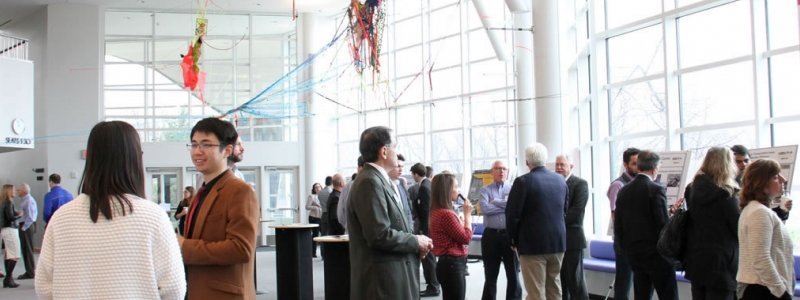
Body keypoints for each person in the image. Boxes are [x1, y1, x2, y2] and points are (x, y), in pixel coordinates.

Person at [34, 121, 185, 299]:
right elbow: (174, 289)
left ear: (90, 159)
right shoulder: (154, 217)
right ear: (135, 158)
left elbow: (44, 287)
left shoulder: (61, 218)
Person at [178, 117, 259, 300]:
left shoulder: (240, 191)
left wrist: (184, 246)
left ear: (227, 150)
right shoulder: (202, 191)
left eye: (206, 145)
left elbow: (241, 248)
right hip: (198, 290)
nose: (197, 151)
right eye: (194, 144)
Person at [347, 126, 433, 299]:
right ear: (384, 152)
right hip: (382, 283)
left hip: (391, 278)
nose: (398, 152)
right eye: (395, 146)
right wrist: (415, 241)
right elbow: (379, 235)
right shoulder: (369, 182)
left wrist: (416, 246)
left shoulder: (378, 180)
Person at [506, 143, 568, 300]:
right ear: (546, 160)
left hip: (532, 245)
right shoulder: (561, 181)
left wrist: (513, 240)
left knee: (536, 291)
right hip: (557, 243)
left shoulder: (523, 182)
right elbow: (564, 211)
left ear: (527, 162)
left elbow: (512, 214)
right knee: (555, 288)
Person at [614, 150, 677, 300]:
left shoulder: (624, 191)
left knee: (641, 294)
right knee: (668, 294)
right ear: (655, 169)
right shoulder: (656, 189)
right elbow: (662, 224)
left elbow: (619, 224)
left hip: (635, 254)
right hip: (657, 255)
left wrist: (624, 249)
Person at [683, 147, 740, 299]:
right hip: (722, 262)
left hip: (696, 258)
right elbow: (738, 228)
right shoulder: (728, 194)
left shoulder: (691, 189)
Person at [737, 159, 794, 300]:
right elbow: (761, 259)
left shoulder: (757, 210)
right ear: (761, 183)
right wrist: (781, 292)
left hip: (764, 288)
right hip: (763, 290)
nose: (782, 180)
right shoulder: (759, 212)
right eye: (775, 177)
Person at [479, 160, 522, 300]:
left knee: (513, 274)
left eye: (504, 168)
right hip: (490, 236)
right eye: (498, 168)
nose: (501, 171)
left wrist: (496, 202)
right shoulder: (485, 190)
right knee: (490, 275)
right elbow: (485, 209)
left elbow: (515, 208)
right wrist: (506, 206)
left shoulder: (514, 189)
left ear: (507, 172)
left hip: (510, 235)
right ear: (492, 172)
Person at [429, 172, 473, 300]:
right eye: (456, 186)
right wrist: (467, 216)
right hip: (453, 265)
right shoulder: (447, 214)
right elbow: (466, 238)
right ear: (447, 190)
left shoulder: (437, 211)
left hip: (446, 264)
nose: (458, 190)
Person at [554, 155, 589, 300]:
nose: (559, 167)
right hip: (556, 240)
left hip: (572, 239)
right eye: (557, 165)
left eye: (562, 164)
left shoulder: (580, 184)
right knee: (560, 282)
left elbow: (576, 212)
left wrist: (552, 221)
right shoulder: (554, 183)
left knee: (576, 281)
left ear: (571, 166)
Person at [607, 147, 639, 300]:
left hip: (638, 240)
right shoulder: (618, 185)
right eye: (634, 163)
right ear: (625, 165)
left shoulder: (639, 183)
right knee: (624, 281)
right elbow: (615, 215)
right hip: (624, 240)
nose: (638, 166)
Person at [731, 145, 791, 221]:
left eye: (746, 161)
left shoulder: (758, 184)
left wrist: (783, 210)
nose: (743, 164)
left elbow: (769, 215)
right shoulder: (730, 187)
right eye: (738, 162)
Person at [411, 162, 440, 297]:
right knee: (429, 258)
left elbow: (425, 211)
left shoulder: (424, 187)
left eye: (413, 174)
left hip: (426, 228)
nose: (413, 177)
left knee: (429, 258)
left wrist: (423, 230)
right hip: (428, 226)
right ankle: (432, 284)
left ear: (416, 174)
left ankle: (433, 286)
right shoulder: (427, 185)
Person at [14, 183, 37, 280]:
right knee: (25, 249)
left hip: (26, 226)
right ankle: (29, 270)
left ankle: (30, 272)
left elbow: (30, 217)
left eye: (18, 190)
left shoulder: (28, 200)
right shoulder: (24, 200)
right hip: (25, 225)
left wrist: (23, 228)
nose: (17, 192)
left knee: (27, 249)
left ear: (24, 191)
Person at [0, 184, 21, 288]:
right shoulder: (9, 202)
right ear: (9, 191)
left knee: (9, 254)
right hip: (10, 229)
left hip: (5, 229)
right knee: (15, 254)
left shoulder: (3, 202)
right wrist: (19, 215)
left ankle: (9, 278)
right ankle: (8, 278)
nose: (15, 191)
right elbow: (10, 217)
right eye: (13, 190)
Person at [338, 156, 365, 232]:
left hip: (350, 232)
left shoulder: (347, 187)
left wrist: (347, 224)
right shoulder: (376, 184)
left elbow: (340, 214)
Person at [306, 182, 322, 257]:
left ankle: (323, 252)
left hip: (321, 217)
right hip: (314, 217)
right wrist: (315, 207)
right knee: (315, 235)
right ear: (314, 189)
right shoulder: (312, 196)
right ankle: (313, 252)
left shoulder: (323, 196)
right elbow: (307, 206)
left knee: (324, 234)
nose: (318, 188)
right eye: (316, 187)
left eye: (319, 187)